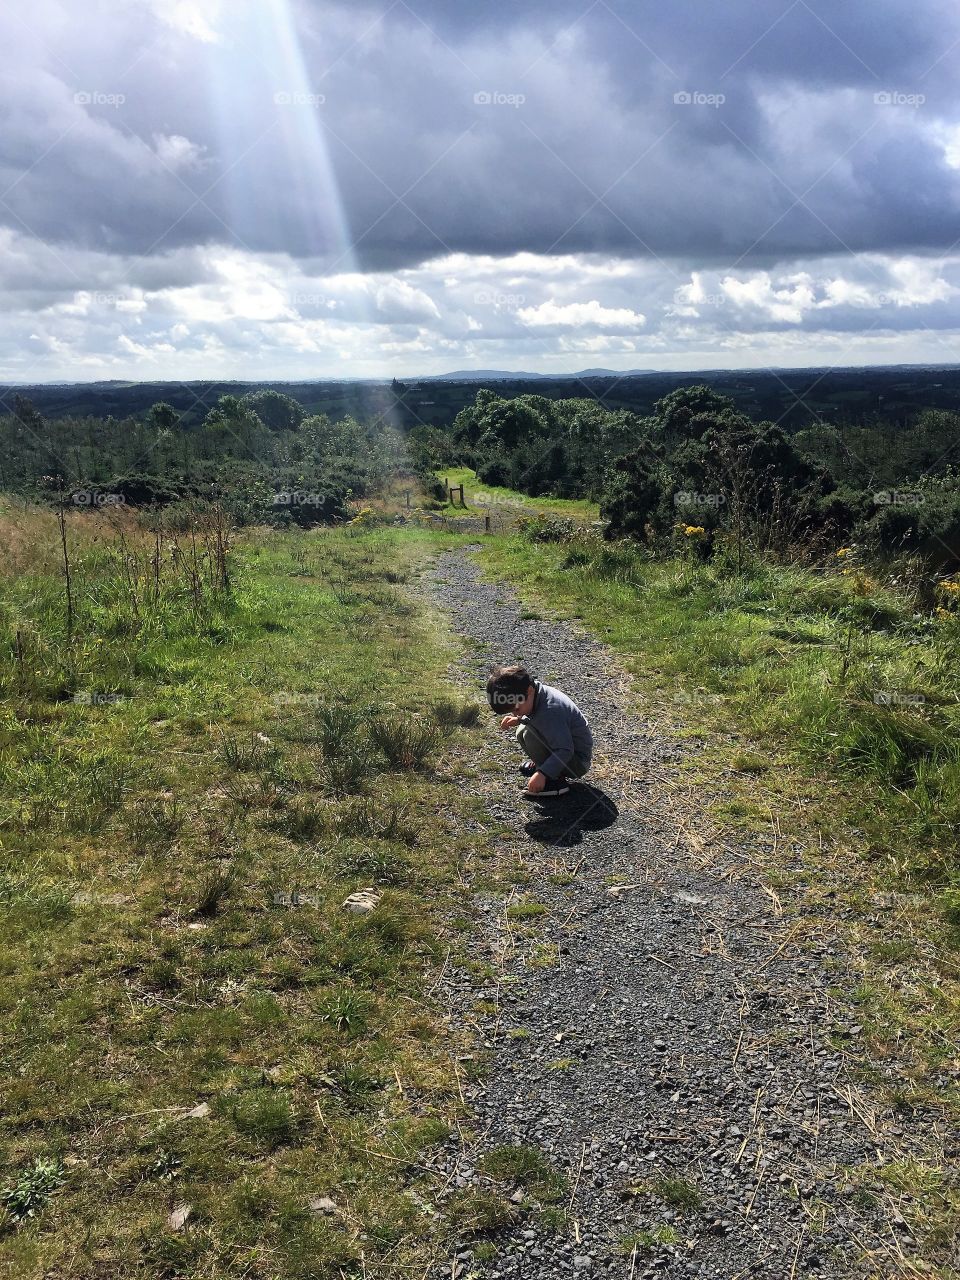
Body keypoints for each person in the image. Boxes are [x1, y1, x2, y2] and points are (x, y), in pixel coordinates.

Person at [486, 664, 593, 799]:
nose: (514, 713)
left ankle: (554, 780)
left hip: (577, 762)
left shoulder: (550, 711)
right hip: (566, 750)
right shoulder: (535, 692)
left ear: (529, 691)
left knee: (529, 735)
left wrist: (543, 773)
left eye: (517, 709)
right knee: (522, 730)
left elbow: (565, 749)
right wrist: (519, 718)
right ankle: (543, 765)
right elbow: (536, 716)